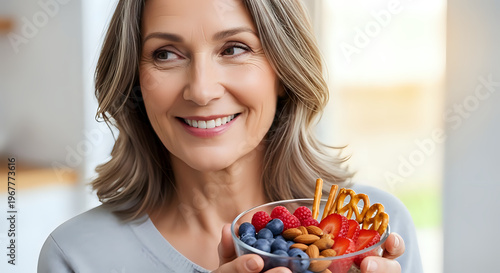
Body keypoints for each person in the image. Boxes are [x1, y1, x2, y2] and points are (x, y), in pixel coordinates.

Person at [38, 0, 422, 272]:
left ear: (283, 73)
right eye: (166, 54)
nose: (201, 90)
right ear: (133, 80)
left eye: (234, 48)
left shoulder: (378, 232)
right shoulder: (76, 256)